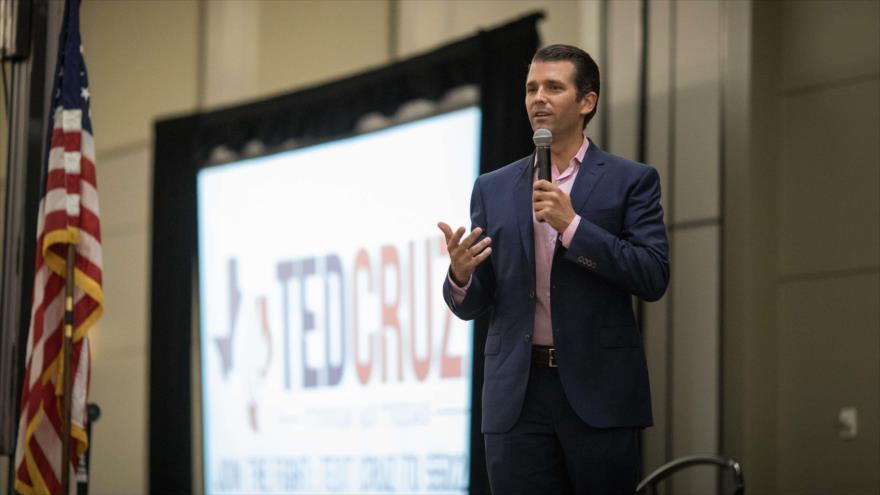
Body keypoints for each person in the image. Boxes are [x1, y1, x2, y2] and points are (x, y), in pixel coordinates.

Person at [437, 44, 669, 494]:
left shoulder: (631, 181)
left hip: (599, 392)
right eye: (530, 89)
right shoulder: (494, 187)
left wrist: (574, 227)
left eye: (553, 87)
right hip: (517, 396)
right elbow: (479, 302)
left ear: (587, 102)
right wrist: (462, 277)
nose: (537, 98)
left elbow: (652, 275)